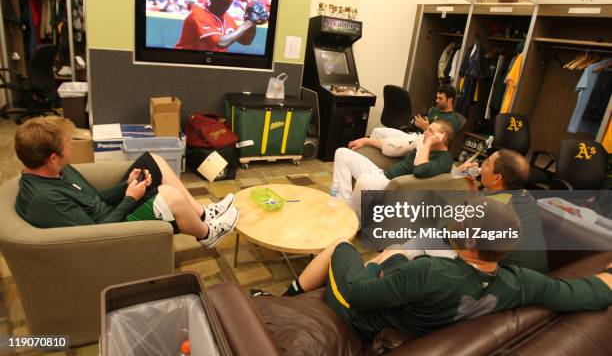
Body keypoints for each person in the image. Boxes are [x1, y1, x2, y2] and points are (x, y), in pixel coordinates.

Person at [280, 197, 612, 341]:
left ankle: (285, 297)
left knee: (341, 245)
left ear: (469, 243)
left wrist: (390, 262)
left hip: (361, 319)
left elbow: (357, 295)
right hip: (426, 312)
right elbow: (575, 291)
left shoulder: (430, 272)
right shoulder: (519, 283)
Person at [14, 116, 237, 248]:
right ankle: (207, 233)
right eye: (68, 145)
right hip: (112, 229)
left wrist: (126, 185)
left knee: (154, 161)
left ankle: (203, 214)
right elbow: (95, 235)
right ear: (52, 158)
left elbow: (95, 199)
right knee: (170, 196)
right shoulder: (45, 200)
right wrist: (131, 197)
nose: (72, 147)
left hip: (110, 213)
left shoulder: (57, 169)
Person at [332, 120, 454, 217]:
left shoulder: (445, 159)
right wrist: (366, 140)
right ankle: (342, 205)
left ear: (441, 138)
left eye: (430, 130)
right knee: (342, 153)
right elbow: (396, 146)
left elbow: (420, 170)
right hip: (383, 175)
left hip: (392, 185)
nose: (425, 132)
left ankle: (351, 221)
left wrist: (428, 144)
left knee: (364, 180)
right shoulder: (422, 141)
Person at [456, 149, 549, 273]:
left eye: (487, 163)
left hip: (508, 282)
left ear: (497, 178)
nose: (482, 164)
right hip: (535, 278)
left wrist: (455, 177)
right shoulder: (527, 197)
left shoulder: (488, 207)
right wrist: (470, 183)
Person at [175, 0, 266, 52]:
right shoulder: (199, 14)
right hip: (185, 61)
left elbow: (246, 41)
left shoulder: (228, 18)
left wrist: (253, 23)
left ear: (230, 3)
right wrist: (248, 23)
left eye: (224, 1)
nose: (220, 3)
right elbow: (221, 43)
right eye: (217, 0)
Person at [370, 85, 461, 141]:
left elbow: (441, 142)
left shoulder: (452, 120)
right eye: (437, 97)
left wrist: (426, 128)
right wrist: (417, 124)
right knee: (377, 131)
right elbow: (423, 126)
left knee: (384, 137)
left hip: (421, 142)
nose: (437, 100)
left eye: (440, 98)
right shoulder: (434, 110)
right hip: (414, 135)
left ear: (450, 100)